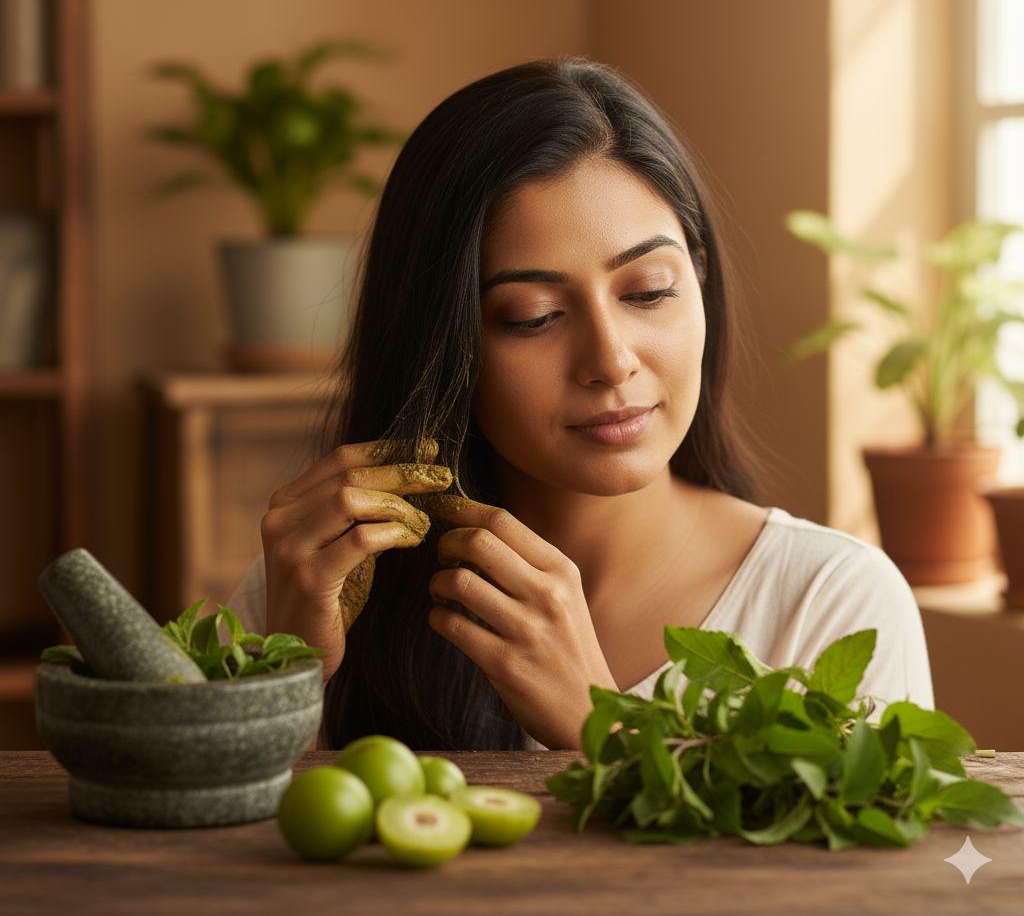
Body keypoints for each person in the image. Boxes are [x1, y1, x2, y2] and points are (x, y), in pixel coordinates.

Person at [224, 56, 934, 752]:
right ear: (441, 342)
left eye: (649, 290)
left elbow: (859, 874)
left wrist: (606, 731)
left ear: (701, 277)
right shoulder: (313, 585)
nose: (610, 360)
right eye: (532, 316)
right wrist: (284, 682)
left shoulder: (830, 601)